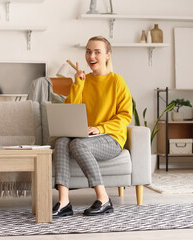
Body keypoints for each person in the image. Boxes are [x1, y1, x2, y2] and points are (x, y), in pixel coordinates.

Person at [52, 36, 133, 217]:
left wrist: (101, 128)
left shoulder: (116, 81)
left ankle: (103, 198)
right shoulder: (82, 81)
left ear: (107, 55)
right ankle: (64, 201)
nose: (91, 56)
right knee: (62, 142)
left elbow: (126, 115)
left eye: (97, 52)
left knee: (77, 144)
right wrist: (78, 84)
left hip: (111, 138)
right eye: (88, 51)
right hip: (86, 136)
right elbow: (70, 111)